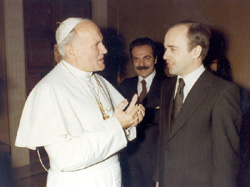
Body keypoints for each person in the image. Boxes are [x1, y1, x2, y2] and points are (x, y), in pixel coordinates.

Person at [15, 17, 145, 187]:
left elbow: (114, 134)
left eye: (102, 43)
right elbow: (65, 158)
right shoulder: (49, 89)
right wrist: (117, 125)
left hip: (111, 177)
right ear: (72, 51)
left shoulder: (98, 80)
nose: (104, 50)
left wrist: (128, 122)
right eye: (96, 45)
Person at [153, 21, 241, 187]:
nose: (165, 55)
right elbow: (164, 139)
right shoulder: (167, 86)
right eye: (166, 48)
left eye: (173, 49)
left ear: (196, 51)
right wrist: (159, 179)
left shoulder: (222, 92)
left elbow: (225, 161)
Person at [119, 37, 166, 187]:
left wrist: (145, 116)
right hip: (129, 157)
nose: (142, 64)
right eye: (136, 59)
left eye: (146, 58)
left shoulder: (168, 84)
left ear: (156, 59)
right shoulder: (126, 84)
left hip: (155, 158)